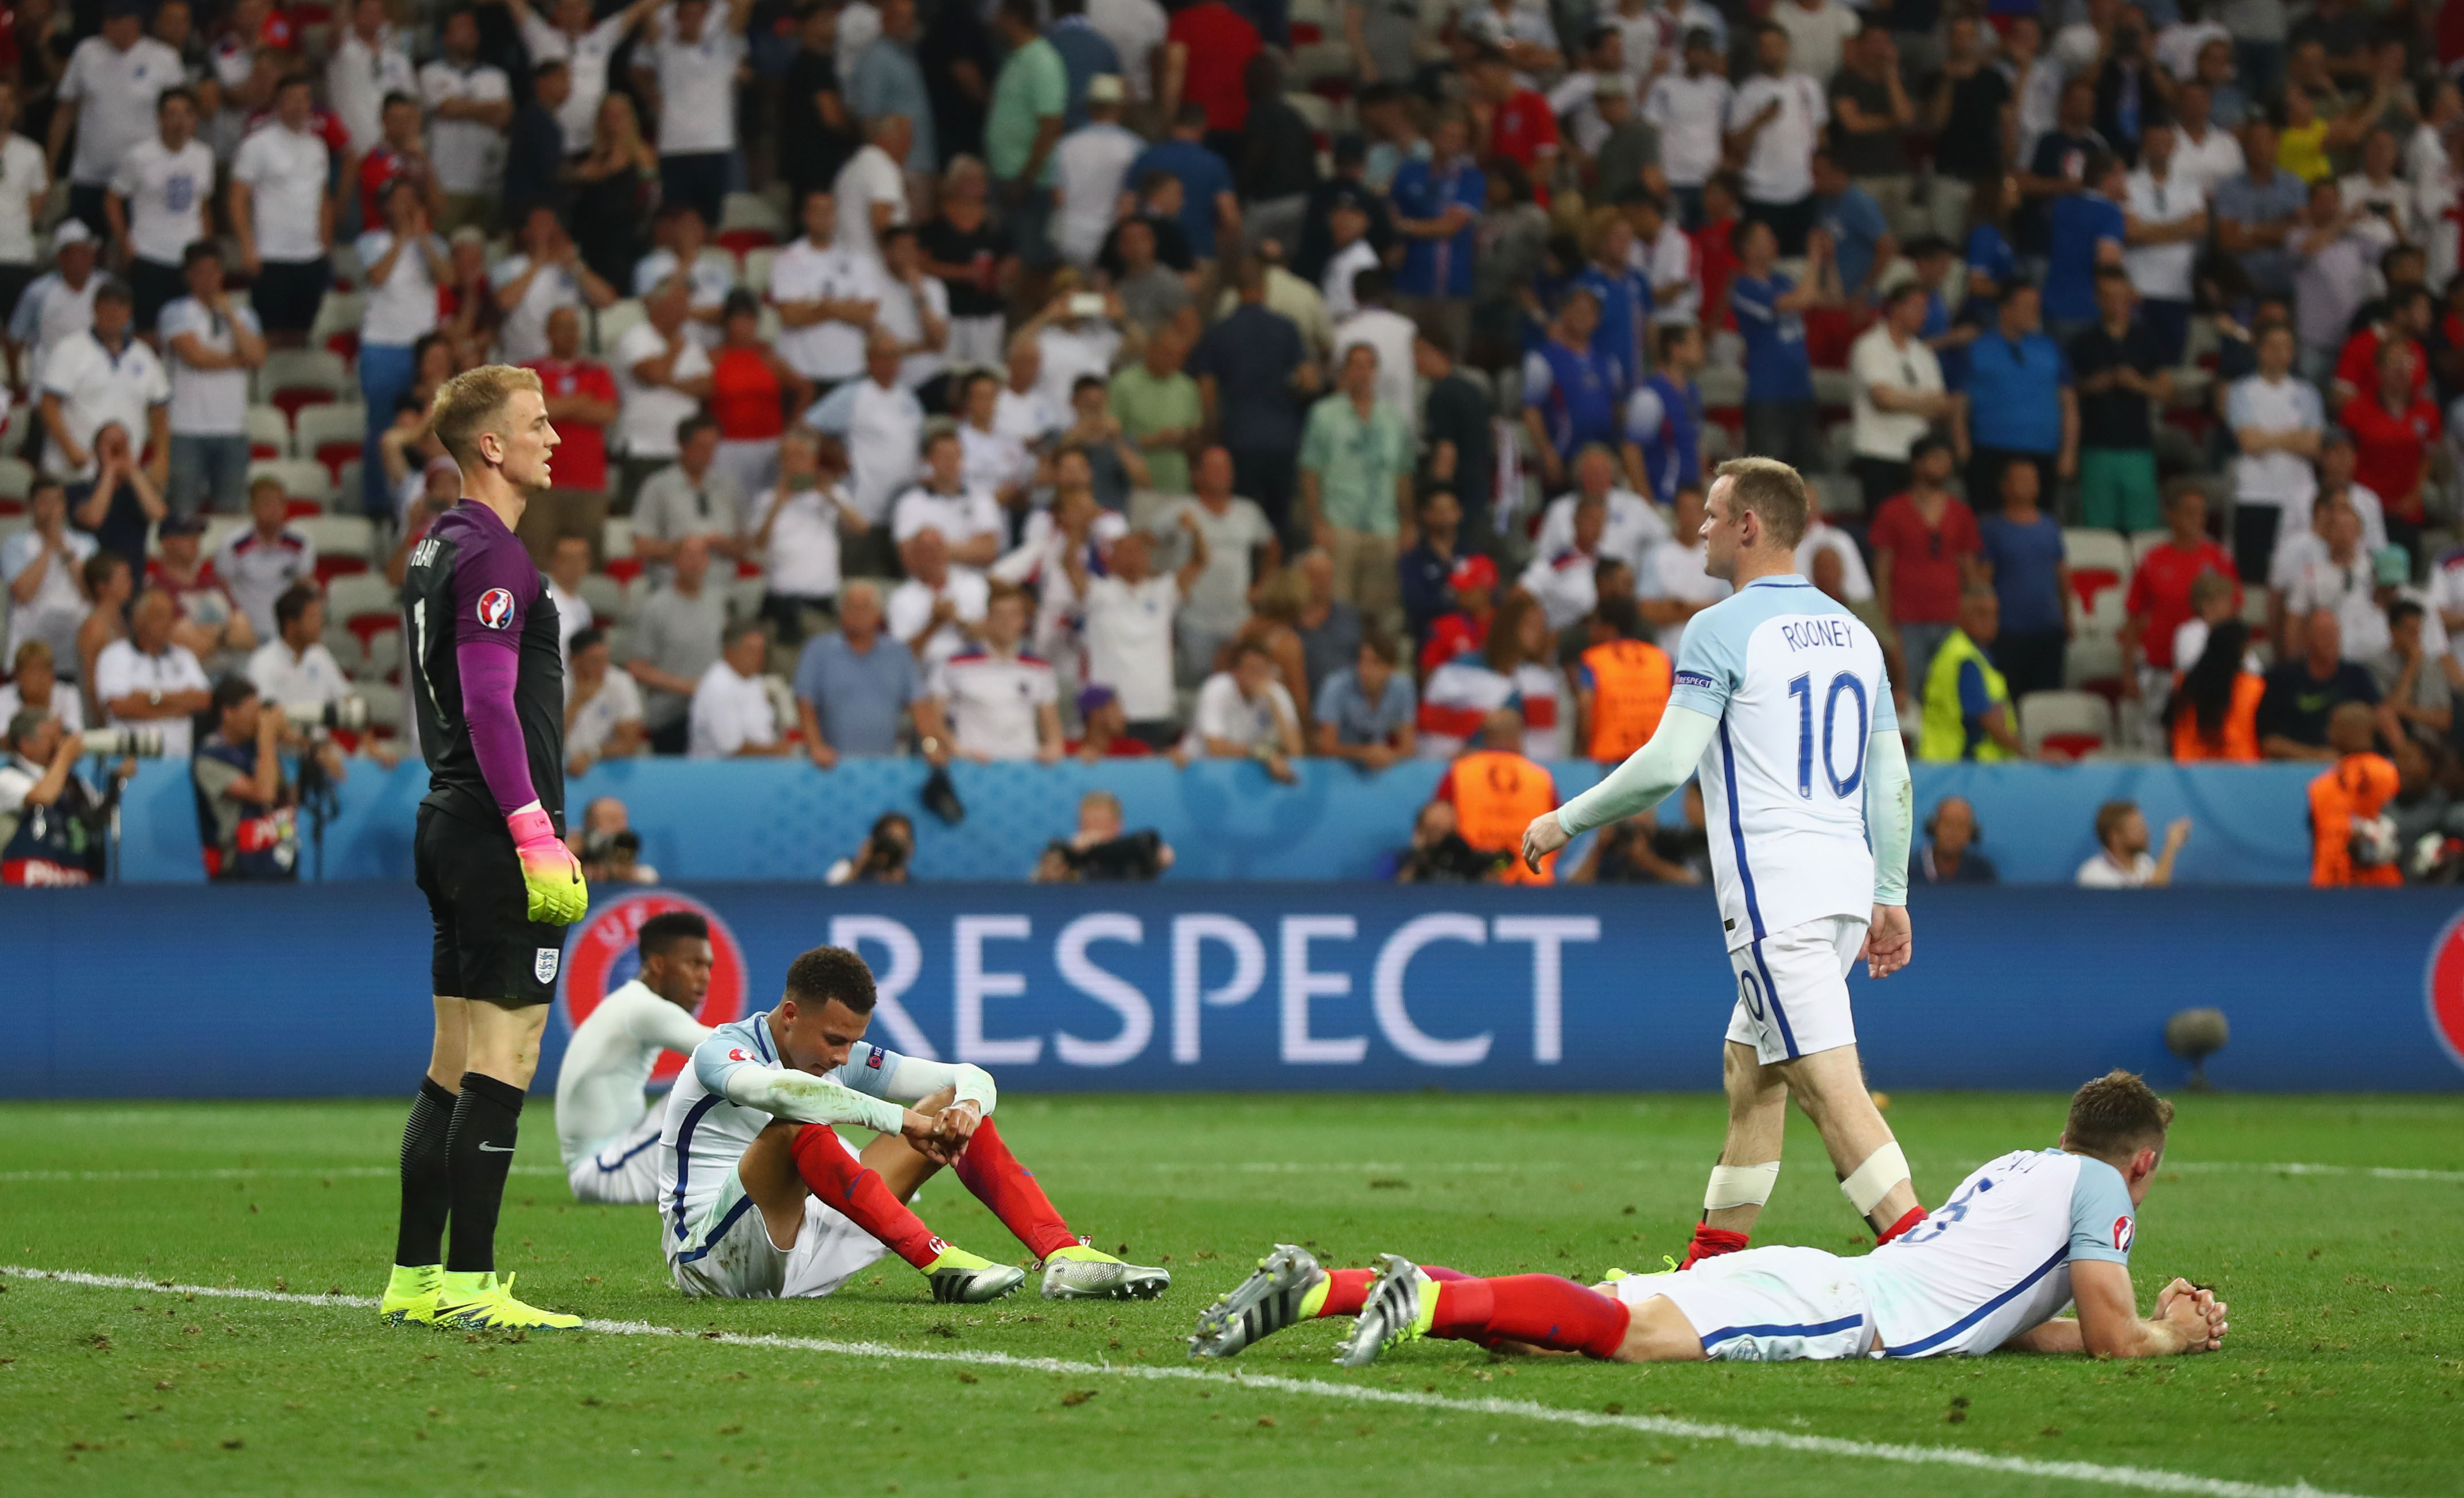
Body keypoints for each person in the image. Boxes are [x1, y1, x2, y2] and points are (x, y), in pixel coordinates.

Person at [1520, 457, 1924, 1268]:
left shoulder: (1719, 627)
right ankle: (1709, 1264)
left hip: (1776, 900)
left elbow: (1669, 764)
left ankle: (1940, 1264)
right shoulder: (1856, 634)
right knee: (1751, 1069)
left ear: (1749, 526)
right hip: (1841, 889)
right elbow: (1893, 776)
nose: (1698, 528)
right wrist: (1888, 891)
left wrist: (1564, 818)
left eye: (1711, 515)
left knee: (1829, 1090)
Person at [1195, 1070, 2229, 1371]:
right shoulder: (2099, 1193)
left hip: (1824, 1278)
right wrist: (2168, 1331)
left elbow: (2017, 1324)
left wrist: (2127, 1325)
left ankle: (1321, 1287)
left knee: (1601, 1318)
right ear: (2139, 1165)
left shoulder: (2021, 1168)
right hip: (1842, 1310)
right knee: (1631, 1337)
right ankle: (1416, 1299)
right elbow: (2105, 1339)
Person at [658, 943, 1168, 1302]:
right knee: (798, 1122)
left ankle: (1062, 1256)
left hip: (807, 1244)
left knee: (947, 1106)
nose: (842, 1056)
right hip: (711, 1259)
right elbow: (786, 1096)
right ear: (790, 1014)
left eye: (852, 1042)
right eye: (834, 1040)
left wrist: (967, 1107)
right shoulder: (722, 1052)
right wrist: (903, 1122)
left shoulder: (839, 1054)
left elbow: (968, 1076)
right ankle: (938, 1261)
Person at [553, 910, 714, 1205]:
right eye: (694, 964)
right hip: (604, 1173)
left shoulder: (629, 1001)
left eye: (708, 966)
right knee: (717, 1079)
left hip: (611, 1164)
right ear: (658, 965)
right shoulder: (643, 1008)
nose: (705, 976)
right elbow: (727, 1050)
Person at [1298, 343, 1412, 619]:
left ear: (1376, 372)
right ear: (1346, 371)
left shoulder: (1394, 418)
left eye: (1368, 365)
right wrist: (1317, 521)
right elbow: (1310, 470)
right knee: (1337, 606)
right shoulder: (1324, 414)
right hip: (1339, 523)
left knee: (1379, 611)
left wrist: (1408, 522)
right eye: (1356, 365)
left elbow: (1403, 473)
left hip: (1384, 525)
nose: (1362, 372)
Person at [1068, 514, 1206, 744]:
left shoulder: (1164, 592)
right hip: (1110, 714)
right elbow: (1070, 565)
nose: (1133, 558)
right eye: (1125, 551)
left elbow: (1200, 562)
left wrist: (1196, 530)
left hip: (1156, 709)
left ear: (1147, 558)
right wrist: (1079, 528)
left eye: (1138, 551)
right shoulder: (1097, 592)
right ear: (1110, 560)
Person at [158, 242, 264, 521]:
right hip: (186, 428)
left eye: (214, 272)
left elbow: (257, 355)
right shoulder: (175, 312)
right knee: (183, 511)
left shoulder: (243, 315)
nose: (209, 278)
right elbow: (195, 357)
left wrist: (230, 315)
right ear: (189, 276)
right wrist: (238, 361)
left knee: (229, 512)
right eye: (201, 272)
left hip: (232, 428)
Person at [1868, 439, 1978, 701]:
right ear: (1916, 464)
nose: (1943, 465)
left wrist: (1970, 615)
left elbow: (1969, 569)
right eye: (1935, 458)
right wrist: (1885, 622)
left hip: (1951, 617)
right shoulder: (1893, 511)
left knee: (1951, 693)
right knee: (1910, 694)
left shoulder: (1960, 513)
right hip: (1907, 621)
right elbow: (1882, 570)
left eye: (1946, 459)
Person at [227, 73, 329, 348]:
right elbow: (237, 199)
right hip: (271, 255)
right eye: (292, 99)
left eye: (304, 98)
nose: (299, 105)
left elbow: (321, 199)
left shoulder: (317, 146)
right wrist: (248, 247)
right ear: (278, 104)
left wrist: (324, 245)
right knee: (269, 334)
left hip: (309, 255)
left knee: (301, 334)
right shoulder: (258, 145)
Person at [40, 277, 168, 488]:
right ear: (95, 310)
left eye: (120, 309)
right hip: (75, 473)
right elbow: (49, 404)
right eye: (107, 308)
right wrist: (69, 448)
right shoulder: (70, 349)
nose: (113, 315)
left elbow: (159, 411)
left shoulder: (144, 356)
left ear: (129, 314)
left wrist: (161, 458)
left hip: (125, 475)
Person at [1727, 217, 1829, 477]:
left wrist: (1828, 260)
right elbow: (1801, 301)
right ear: (1748, 249)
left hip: (1801, 390)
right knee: (1768, 477)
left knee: (1809, 473)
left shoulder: (1783, 280)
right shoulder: (1744, 288)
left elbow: (1831, 298)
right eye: (1766, 238)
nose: (1774, 242)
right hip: (1768, 396)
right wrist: (1814, 256)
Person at [917, 581, 1062, 764]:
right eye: (999, 615)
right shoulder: (955, 664)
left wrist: (1052, 749)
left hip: (1023, 767)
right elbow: (933, 718)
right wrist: (955, 749)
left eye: (1013, 615)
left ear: (1023, 621)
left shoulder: (1041, 669)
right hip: (974, 766)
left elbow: (1052, 729)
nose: (1006, 622)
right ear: (987, 619)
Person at [1963, 282, 2077, 513]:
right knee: (1987, 520)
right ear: (2005, 310)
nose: (2034, 312)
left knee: (2038, 520)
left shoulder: (2051, 349)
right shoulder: (1977, 348)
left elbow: (2069, 404)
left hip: (2042, 453)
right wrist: (1962, 447)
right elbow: (1958, 403)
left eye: (2037, 306)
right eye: (2027, 306)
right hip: (1989, 450)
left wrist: (2068, 452)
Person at [1848, 281, 1957, 515]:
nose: (1924, 315)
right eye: (1918, 307)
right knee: (1885, 525)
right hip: (1878, 453)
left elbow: (1943, 405)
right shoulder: (1869, 346)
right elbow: (1882, 400)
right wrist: (1923, 402)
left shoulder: (1923, 353)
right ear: (1896, 308)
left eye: (1925, 309)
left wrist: (1901, 399)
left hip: (1917, 458)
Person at [1976, 459, 2073, 702]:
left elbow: (2061, 574)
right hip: (2009, 632)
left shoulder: (2050, 526)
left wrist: (2067, 616)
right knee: (2010, 698)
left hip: (2049, 630)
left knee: (2048, 699)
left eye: (2033, 480)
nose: (2028, 485)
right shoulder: (1993, 528)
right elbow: (1984, 580)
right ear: (2005, 486)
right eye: (2020, 479)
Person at [188, 673, 296, 880]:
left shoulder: (256, 747)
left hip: (280, 855)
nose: (258, 719)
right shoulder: (209, 758)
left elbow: (283, 795)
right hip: (240, 868)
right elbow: (264, 794)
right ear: (228, 714)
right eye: (253, 711)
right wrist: (267, 736)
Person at [94, 587, 208, 757]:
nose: (170, 622)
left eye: (171, 615)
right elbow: (120, 707)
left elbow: (203, 701)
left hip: (179, 762)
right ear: (139, 620)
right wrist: (179, 704)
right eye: (160, 615)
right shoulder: (115, 655)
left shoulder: (184, 657)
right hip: (131, 760)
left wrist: (149, 699)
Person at [2258, 609, 2384, 761]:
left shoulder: (2357, 674)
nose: (2330, 640)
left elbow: (2381, 714)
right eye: (2323, 634)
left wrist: (2402, 749)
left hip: (2351, 765)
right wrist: (2316, 756)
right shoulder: (2280, 679)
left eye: (2333, 633)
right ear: (2306, 638)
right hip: (2293, 767)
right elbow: (2269, 742)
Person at [1918, 586, 2026, 763]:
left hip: (1949, 763)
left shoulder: (1970, 652)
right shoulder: (1965, 659)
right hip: (1960, 764)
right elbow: (1989, 721)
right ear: (1961, 616)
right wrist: (2032, 755)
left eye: (1994, 615)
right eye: (1981, 614)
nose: (1990, 622)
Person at [2307, 700, 2402, 887]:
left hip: (2376, 883)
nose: (2328, 733)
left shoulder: (2389, 774)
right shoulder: (2321, 785)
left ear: (2351, 729)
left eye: (2333, 726)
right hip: (2331, 881)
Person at [1188, 637, 1301, 782]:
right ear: (1236, 672)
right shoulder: (1217, 689)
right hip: (1203, 771)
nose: (1258, 676)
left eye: (1263, 669)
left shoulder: (1275, 693)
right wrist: (1266, 754)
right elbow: (1216, 749)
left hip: (1247, 774)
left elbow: (1296, 751)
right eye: (1252, 669)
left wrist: (1274, 703)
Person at [1575, 604, 1673, 764]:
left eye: (1595, 626)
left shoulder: (1594, 661)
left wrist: (1580, 753)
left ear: (1610, 629)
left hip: (1608, 764)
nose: (1590, 632)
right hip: (1657, 760)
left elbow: (1585, 708)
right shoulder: (1662, 659)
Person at [1312, 630, 1415, 770]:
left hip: (1379, 764)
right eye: (1362, 661)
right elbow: (1325, 746)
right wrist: (1365, 753)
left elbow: (1408, 747)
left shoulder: (1403, 687)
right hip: (1339, 767)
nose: (1366, 670)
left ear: (1391, 669)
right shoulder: (1335, 686)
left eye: (1376, 663)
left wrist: (1388, 755)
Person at [687, 620, 788, 759]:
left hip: (758, 768)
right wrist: (777, 750)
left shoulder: (754, 680)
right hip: (720, 774)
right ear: (729, 651)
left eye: (762, 650)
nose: (759, 656)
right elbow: (731, 748)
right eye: (752, 650)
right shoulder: (718, 686)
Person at [2170, 619, 2265, 762]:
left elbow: (2169, 730)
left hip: (2189, 769)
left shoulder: (2183, 685)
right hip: (2242, 771)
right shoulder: (2254, 688)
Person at [1035, 788, 1173, 882]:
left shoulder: (1137, 851)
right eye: (1087, 824)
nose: (1093, 830)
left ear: (1117, 825)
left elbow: (1162, 854)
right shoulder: (1069, 856)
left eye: (1100, 823)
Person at [562, 626, 645, 775]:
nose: (602, 667)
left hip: (606, 770)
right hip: (559, 768)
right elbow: (545, 743)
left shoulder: (621, 683)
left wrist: (591, 754)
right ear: (575, 659)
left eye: (605, 659)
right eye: (594, 661)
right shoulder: (556, 684)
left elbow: (629, 743)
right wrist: (576, 703)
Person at [2078, 800, 2192, 887]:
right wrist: (2170, 847)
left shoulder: (2145, 863)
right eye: (2137, 828)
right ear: (2114, 836)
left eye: (2144, 826)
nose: (2146, 832)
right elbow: (2150, 901)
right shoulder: (2093, 874)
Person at [1913, 795, 1997, 884]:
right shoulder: (1911, 867)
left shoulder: (1982, 871)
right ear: (1934, 827)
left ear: (1972, 833)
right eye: (1947, 825)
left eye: (1961, 826)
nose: (1953, 833)